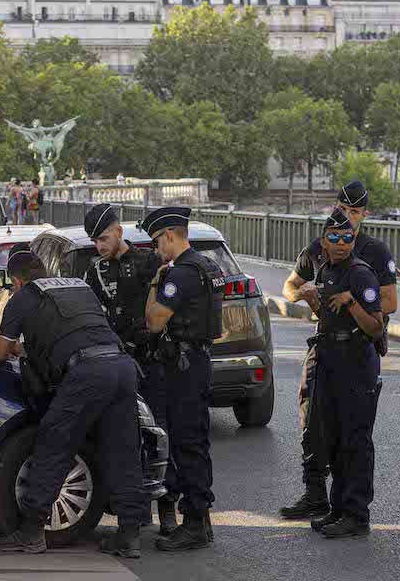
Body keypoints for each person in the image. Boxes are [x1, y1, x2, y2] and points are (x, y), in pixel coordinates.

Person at [0, 246, 147, 558]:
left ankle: (31, 531)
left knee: (54, 443)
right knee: (123, 450)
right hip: (121, 367)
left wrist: (8, 334)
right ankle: (129, 535)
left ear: (16, 282)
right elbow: (78, 332)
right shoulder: (78, 286)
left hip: (86, 373)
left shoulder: (22, 297)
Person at [278, 179, 398, 521]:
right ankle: (316, 494)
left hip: (358, 344)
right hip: (324, 343)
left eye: (354, 212)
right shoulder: (319, 246)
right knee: (313, 420)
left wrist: (352, 303)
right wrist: (306, 294)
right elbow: (289, 286)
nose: (347, 218)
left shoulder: (374, 251)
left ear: (365, 214)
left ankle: (352, 508)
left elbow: (388, 302)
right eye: (342, 210)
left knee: (353, 431)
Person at [81, 204, 173, 533]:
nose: (100, 246)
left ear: (119, 232)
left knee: (160, 433)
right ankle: (134, 515)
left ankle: (168, 510)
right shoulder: (94, 273)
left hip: (149, 361)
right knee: (124, 438)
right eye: (95, 241)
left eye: (104, 238)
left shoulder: (149, 263)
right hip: (117, 366)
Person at [142, 206, 225, 551]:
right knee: (198, 440)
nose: (157, 250)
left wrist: (154, 282)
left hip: (184, 366)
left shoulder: (180, 275)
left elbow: (153, 322)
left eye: (157, 242)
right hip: (200, 361)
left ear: (170, 236)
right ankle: (201, 519)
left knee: (186, 442)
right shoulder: (208, 265)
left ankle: (193, 524)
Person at [305, 208, 385, 538]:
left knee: (355, 440)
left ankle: (356, 513)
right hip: (330, 358)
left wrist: (352, 302)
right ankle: (338, 508)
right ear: (324, 241)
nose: (341, 243)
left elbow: (376, 327)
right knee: (333, 438)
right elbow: (327, 316)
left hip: (355, 363)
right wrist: (313, 301)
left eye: (348, 237)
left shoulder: (360, 274)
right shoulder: (326, 269)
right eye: (334, 237)